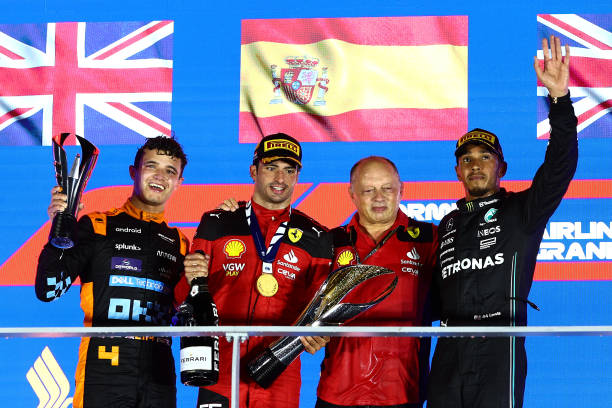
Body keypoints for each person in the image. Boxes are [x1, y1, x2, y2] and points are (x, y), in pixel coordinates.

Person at [427, 35, 578, 408]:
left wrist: (558, 101)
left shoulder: (523, 211)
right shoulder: (446, 223)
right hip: (448, 351)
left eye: (485, 157)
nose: (475, 164)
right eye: (467, 159)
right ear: (457, 170)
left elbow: (560, 165)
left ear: (502, 167)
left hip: (500, 349)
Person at [180, 133, 333, 408]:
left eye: (289, 170)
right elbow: (190, 293)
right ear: (254, 170)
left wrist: (320, 332)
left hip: (278, 375)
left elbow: (321, 310)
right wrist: (188, 277)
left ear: (298, 175)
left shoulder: (317, 237)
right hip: (221, 372)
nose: (280, 179)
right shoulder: (218, 222)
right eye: (271, 167)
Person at [35, 136, 189, 408]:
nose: (160, 176)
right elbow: (48, 290)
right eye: (152, 166)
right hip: (105, 369)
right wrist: (59, 228)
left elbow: (185, 318)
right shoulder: (97, 225)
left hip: (160, 372)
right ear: (134, 171)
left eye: (170, 171)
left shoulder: (181, 243)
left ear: (179, 182)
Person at [315, 156, 438, 408]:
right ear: (352, 193)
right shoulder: (332, 241)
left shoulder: (428, 238)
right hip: (338, 390)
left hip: (402, 390)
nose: (379, 197)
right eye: (368, 190)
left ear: (402, 189)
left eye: (387, 188)